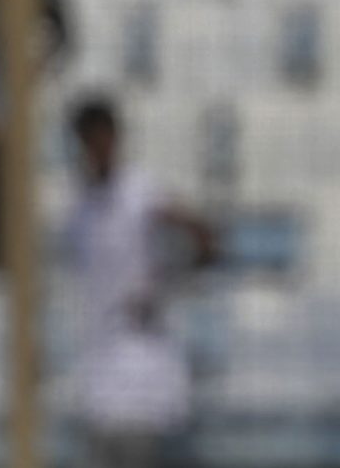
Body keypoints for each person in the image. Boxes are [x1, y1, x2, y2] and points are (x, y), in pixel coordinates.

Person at [64, 98, 216, 468]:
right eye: (89, 142)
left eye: (102, 140)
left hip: (142, 370)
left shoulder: (140, 191)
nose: (97, 150)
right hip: (100, 373)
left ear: (115, 139)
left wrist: (168, 285)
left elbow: (202, 233)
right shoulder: (82, 206)